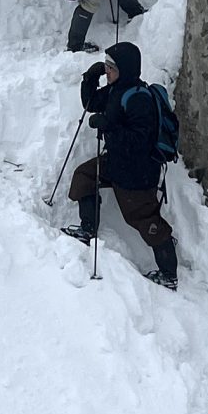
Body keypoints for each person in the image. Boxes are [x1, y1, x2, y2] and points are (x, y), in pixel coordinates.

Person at [63, 41, 176, 289]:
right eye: (106, 66)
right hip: (116, 161)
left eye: (110, 67)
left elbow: (140, 141)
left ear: (125, 69)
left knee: (143, 218)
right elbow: (91, 103)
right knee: (84, 177)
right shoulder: (116, 90)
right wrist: (90, 78)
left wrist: (108, 125)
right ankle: (88, 228)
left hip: (136, 172)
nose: (107, 70)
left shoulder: (138, 98)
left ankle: (169, 273)